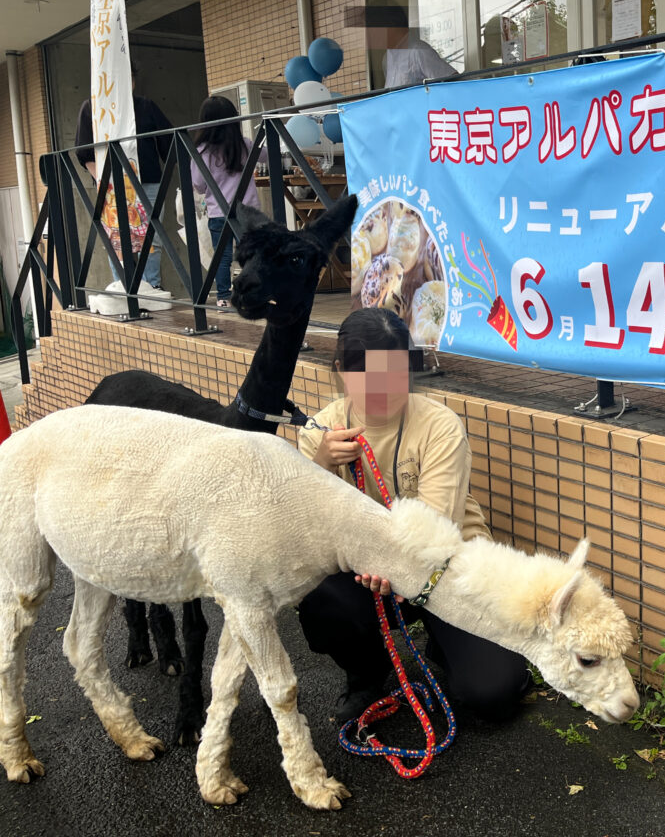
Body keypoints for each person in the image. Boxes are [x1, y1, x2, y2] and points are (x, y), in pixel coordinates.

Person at [296, 308, 529, 723]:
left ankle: (450, 647)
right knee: (319, 597)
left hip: (447, 568)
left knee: (492, 696)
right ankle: (366, 674)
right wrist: (321, 465)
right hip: (365, 577)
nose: (383, 388)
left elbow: (436, 528)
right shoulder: (320, 431)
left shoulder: (440, 425)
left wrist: (392, 566)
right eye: (367, 374)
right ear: (341, 370)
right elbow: (307, 529)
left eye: (395, 372)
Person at [74, 62, 173, 290]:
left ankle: (151, 288)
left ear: (133, 81)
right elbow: (84, 152)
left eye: (127, 79)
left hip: (148, 181)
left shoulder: (145, 106)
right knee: (117, 240)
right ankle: (125, 290)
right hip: (110, 186)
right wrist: (103, 181)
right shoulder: (91, 108)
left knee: (151, 240)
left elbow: (169, 143)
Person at [189, 96, 261, 307]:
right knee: (251, 255)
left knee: (222, 257)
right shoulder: (244, 145)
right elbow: (266, 155)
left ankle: (223, 298)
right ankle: (253, 295)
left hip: (218, 212)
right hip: (248, 211)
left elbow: (199, 185)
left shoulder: (201, 152)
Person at [362, 0, 456, 87]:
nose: (371, 34)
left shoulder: (418, 51)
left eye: (373, 27)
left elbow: (455, 83)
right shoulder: (386, 59)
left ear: (391, 23)